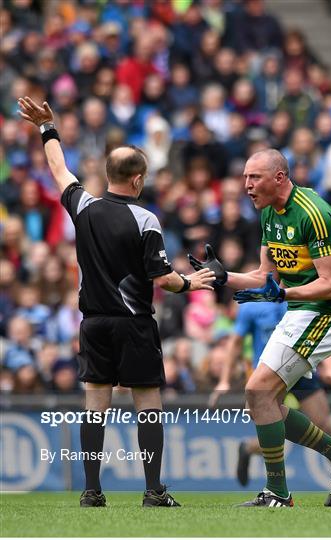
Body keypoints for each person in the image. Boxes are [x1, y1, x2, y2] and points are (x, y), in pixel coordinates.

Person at [18, 96, 215, 508]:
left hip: (92, 324)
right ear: (138, 180)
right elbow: (161, 277)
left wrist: (46, 128)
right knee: (148, 404)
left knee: (95, 407)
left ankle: (91, 491)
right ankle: (153, 490)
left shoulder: (84, 207)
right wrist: (191, 282)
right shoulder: (145, 220)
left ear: (108, 175)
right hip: (134, 325)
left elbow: (58, 168)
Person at [188, 149, 331, 508]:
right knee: (259, 398)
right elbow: (263, 277)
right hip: (300, 312)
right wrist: (222, 276)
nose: (246, 186)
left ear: (279, 178)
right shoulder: (269, 214)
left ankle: (279, 493)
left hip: (328, 314)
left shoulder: (315, 213)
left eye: (254, 177)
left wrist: (283, 292)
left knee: (258, 390)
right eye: (244, 177)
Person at [209, 300, 331, 487]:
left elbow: (319, 331)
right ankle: (250, 450)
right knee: (272, 428)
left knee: (323, 424)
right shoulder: (251, 306)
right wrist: (224, 380)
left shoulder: (301, 296)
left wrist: (330, 368)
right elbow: (235, 342)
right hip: (269, 373)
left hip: (300, 366)